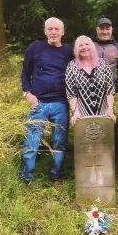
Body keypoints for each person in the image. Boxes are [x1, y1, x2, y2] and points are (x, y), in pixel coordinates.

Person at [20, 17, 73, 188]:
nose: (53, 32)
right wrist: (27, 93)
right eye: (50, 29)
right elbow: (25, 73)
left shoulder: (68, 52)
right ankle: (26, 178)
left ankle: (57, 175)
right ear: (45, 31)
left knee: (59, 142)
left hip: (60, 104)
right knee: (31, 142)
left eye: (57, 29)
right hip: (38, 102)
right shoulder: (35, 47)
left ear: (62, 32)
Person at [65, 35, 116, 125]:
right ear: (76, 49)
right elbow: (71, 93)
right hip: (82, 115)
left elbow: (110, 89)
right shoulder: (71, 66)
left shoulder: (103, 64)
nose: (84, 47)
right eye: (80, 45)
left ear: (92, 46)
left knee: (105, 138)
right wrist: (75, 112)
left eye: (87, 44)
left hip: (104, 113)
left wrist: (110, 109)